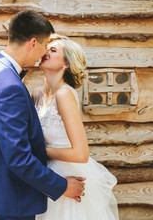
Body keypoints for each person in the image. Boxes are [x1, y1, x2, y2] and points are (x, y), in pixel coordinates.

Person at [0, 10, 86, 220]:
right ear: (33, 43)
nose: (44, 54)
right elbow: (18, 157)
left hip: (8, 188)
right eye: (45, 46)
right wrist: (62, 186)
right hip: (16, 193)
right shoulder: (10, 86)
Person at [33, 34, 119, 220]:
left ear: (66, 64)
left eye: (53, 50)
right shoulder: (37, 94)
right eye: (46, 48)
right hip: (46, 175)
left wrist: (42, 151)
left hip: (68, 174)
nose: (46, 51)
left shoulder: (64, 94)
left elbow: (81, 154)